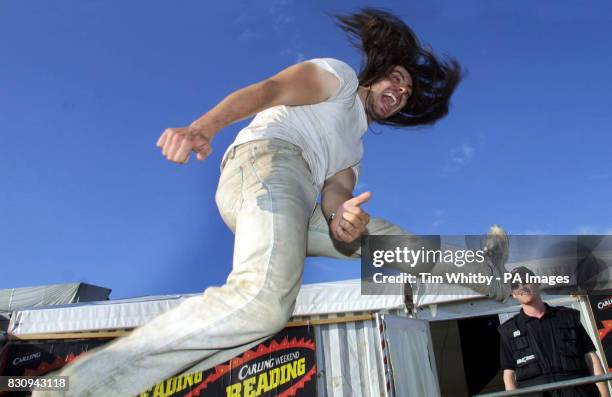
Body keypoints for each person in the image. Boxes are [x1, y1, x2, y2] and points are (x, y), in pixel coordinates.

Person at [36, 9, 510, 396]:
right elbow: (270, 90)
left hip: (301, 198)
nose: (401, 93)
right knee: (262, 301)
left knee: (377, 235)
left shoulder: (355, 146)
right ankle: (72, 387)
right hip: (266, 165)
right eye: (397, 81)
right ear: (375, 74)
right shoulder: (338, 77)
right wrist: (204, 126)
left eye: (406, 94)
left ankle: (479, 273)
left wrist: (342, 221)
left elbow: (336, 193)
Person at [499, 266, 610, 397]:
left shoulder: (568, 317)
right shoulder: (508, 330)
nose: (522, 286)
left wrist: (604, 394)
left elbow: (591, 358)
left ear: (537, 282)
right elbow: (509, 375)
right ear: (513, 293)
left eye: (525, 280)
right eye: (515, 285)